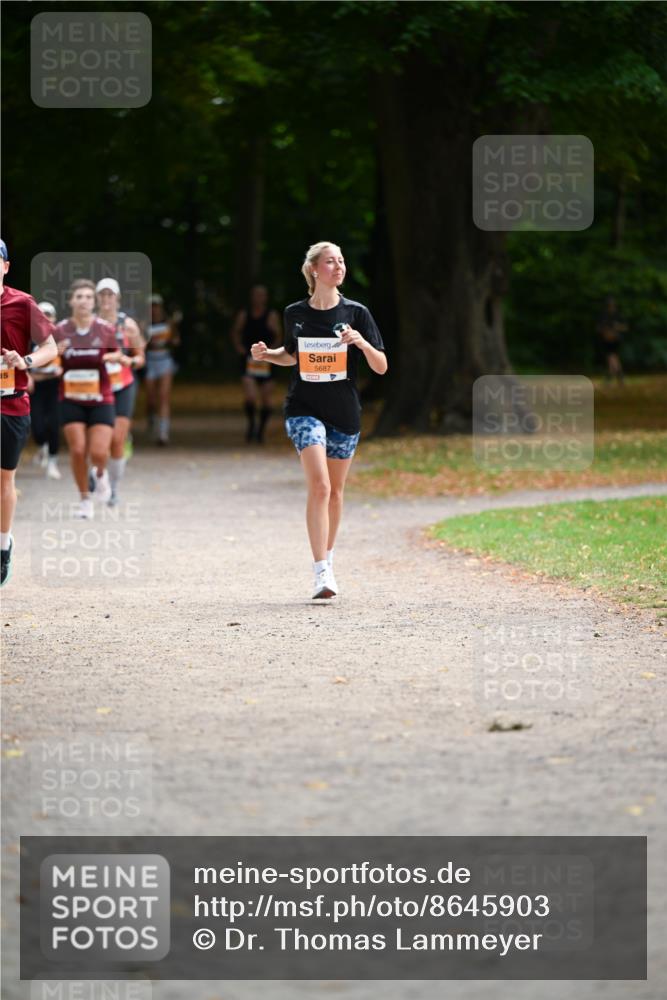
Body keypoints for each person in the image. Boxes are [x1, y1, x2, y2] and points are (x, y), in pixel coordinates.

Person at [251, 241, 387, 599]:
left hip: (344, 412)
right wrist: (268, 355)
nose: (338, 266)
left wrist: (361, 343)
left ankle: (328, 556)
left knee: (337, 493)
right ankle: (320, 572)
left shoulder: (357, 313)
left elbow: (381, 366)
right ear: (314, 269)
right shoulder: (295, 312)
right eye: (330, 261)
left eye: (341, 260)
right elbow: (292, 356)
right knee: (321, 487)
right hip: (304, 408)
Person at [0, 238, 58, 585]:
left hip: (11, 401)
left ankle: (3, 545)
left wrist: (25, 361)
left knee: (4, 479)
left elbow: (50, 347)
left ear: (5, 266)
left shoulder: (22, 304)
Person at [54, 279, 123, 519]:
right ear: (71, 301)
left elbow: (119, 355)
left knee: (99, 452)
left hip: (101, 397)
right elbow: (50, 360)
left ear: (94, 303)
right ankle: (84, 499)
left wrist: (112, 358)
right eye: (79, 297)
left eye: (88, 297)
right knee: (77, 450)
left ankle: (101, 474)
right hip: (71, 398)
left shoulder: (105, 329)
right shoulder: (60, 330)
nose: (83, 301)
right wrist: (55, 354)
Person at [95, 278, 145, 505]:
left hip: (124, 385)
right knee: (98, 441)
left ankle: (113, 488)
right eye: (102, 295)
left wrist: (125, 359)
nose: (106, 299)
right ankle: (98, 476)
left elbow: (141, 359)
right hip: (97, 386)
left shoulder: (129, 325)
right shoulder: (89, 324)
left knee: (117, 439)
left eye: (110, 295)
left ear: (117, 298)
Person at [230, 284, 282, 443]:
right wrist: (239, 348)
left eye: (262, 295)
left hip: (267, 360)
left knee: (266, 399)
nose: (259, 298)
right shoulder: (244, 314)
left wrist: (271, 352)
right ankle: (251, 425)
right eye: (256, 295)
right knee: (251, 396)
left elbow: (279, 335)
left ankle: (261, 431)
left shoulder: (272, 315)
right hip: (249, 360)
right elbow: (235, 332)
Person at [30, 301, 63, 480]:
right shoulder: (27, 338)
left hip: (56, 389)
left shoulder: (62, 339)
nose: (45, 318)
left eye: (49, 315)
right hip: (36, 389)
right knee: (36, 426)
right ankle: (42, 445)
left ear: (55, 318)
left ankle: (52, 461)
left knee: (54, 424)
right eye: (41, 314)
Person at [144, 294, 180, 446]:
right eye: (151, 306)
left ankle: (163, 433)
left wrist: (170, 341)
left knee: (163, 396)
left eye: (156, 306)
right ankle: (151, 416)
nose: (154, 309)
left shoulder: (169, 323)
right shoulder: (144, 324)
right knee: (151, 397)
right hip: (150, 361)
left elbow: (176, 340)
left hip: (165, 361)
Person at [597, 295, 627, 385]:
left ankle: (610, 377)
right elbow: (599, 328)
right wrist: (605, 332)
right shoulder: (604, 315)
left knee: (611, 357)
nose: (611, 306)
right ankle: (619, 376)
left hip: (616, 339)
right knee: (613, 357)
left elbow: (625, 327)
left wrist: (617, 328)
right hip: (606, 339)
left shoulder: (618, 315)